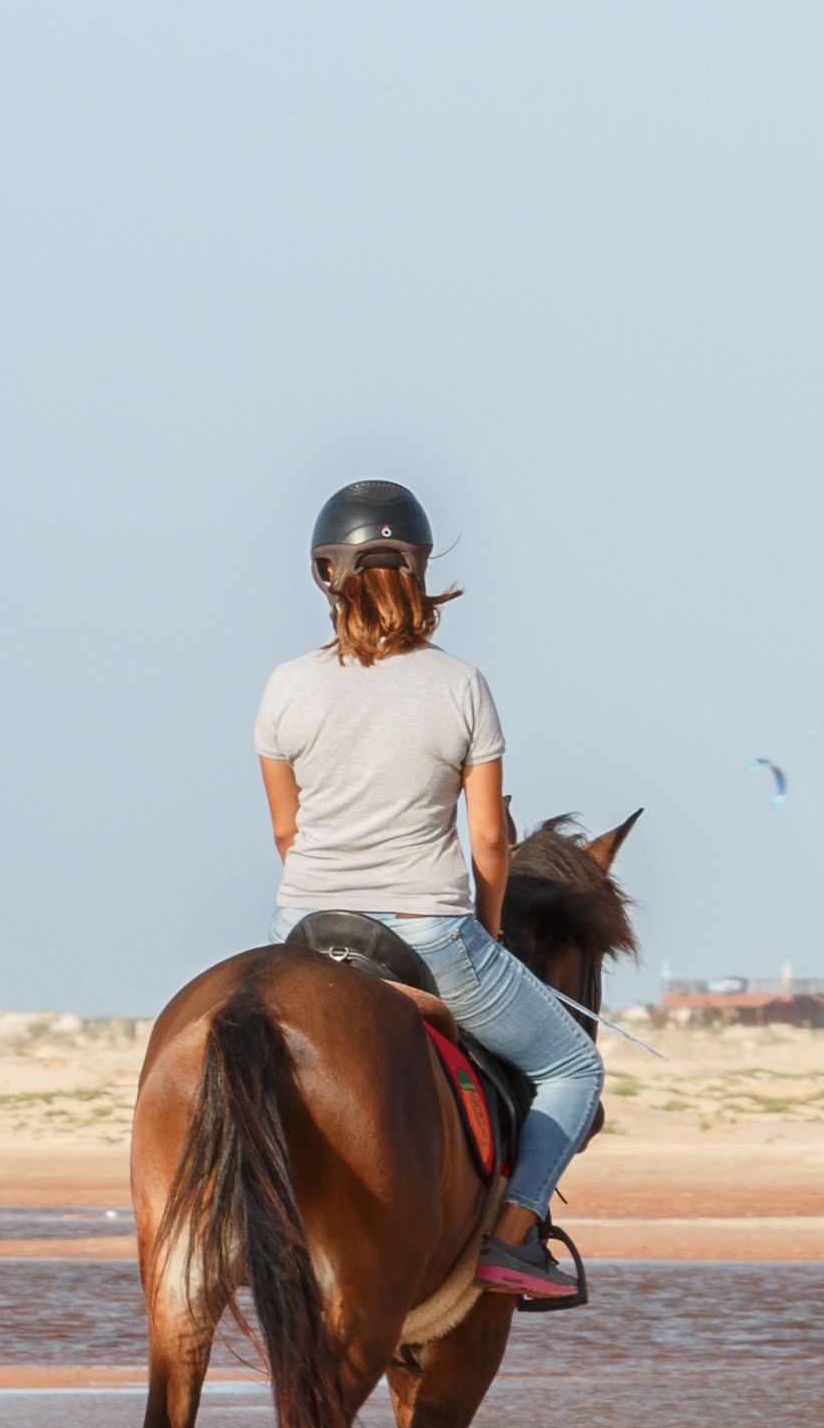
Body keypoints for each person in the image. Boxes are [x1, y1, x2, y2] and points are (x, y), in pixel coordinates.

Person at [254, 480, 606, 1305]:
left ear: (326, 573)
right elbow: (487, 841)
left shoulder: (285, 686)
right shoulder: (461, 685)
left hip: (304, 926)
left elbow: (286, 832)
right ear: (420, 571)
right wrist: (487, 927)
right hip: (427, 931)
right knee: (573, 1065)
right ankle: (513, 1240)